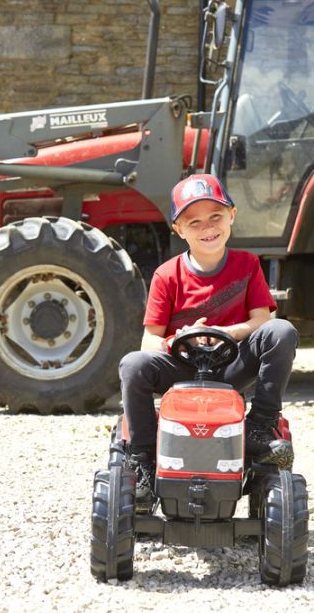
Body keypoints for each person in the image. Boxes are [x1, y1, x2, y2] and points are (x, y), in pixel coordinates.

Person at [119, 173, 299, 505]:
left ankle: (259, 428)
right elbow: (149, 341)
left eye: (215, 216)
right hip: (183, 370)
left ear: (231, 214)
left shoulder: (247, 265)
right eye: (194, 221)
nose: (207, 227)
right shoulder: (167, 275)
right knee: (133, 365)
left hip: (231, 367)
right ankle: (142, 458)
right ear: (179, 229)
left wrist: (226, 333)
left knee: (281, 332)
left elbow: (262, 320)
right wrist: (179, 340)